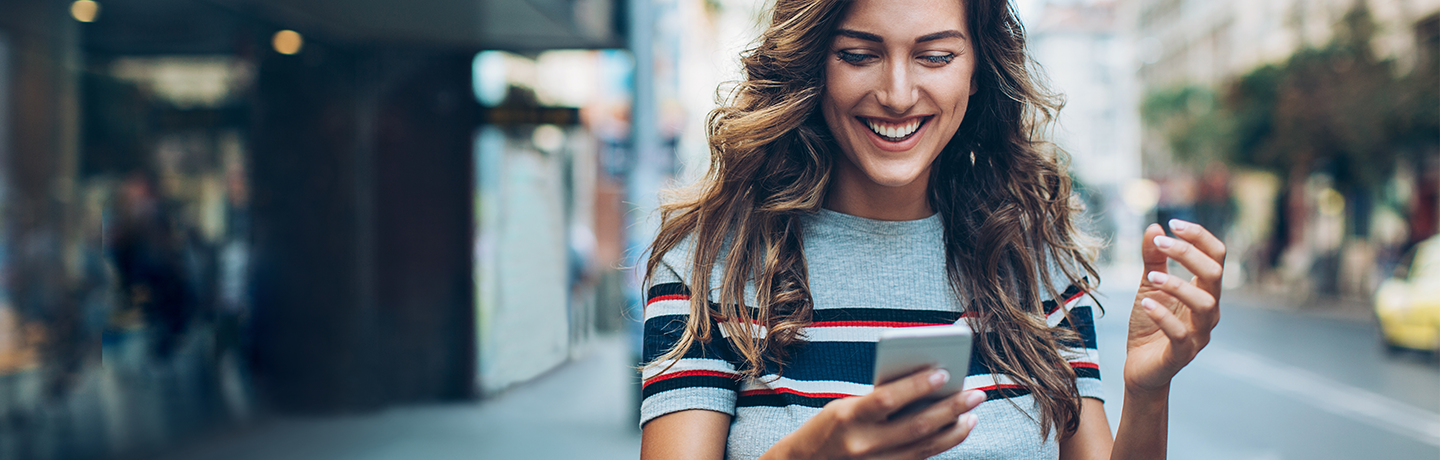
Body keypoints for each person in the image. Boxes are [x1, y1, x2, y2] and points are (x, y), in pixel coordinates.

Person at [638, 0, 1226, 459]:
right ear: (814, 64)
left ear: (976, 72)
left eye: (936, 57)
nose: (897, 94)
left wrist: (1149, 393)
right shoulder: (710, 265)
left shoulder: (1034, 265)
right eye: (859, 55)